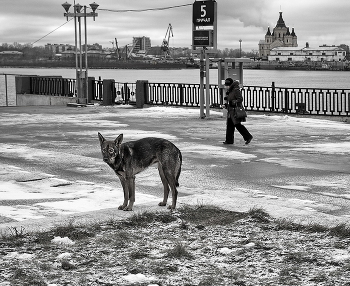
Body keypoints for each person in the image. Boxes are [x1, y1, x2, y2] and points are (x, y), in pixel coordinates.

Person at [223, 78, 253, 145]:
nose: (226, 86)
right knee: (230, 125)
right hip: (230, 111)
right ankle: (229, 140)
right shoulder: (230, 90)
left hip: (234, 111)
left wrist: (232, 102)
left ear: (230, 85)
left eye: (227, 85)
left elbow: (240, 99)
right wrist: (226, 104)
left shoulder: (236, 90)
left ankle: (248, 136)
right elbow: (231, 99)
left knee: (237, 125)